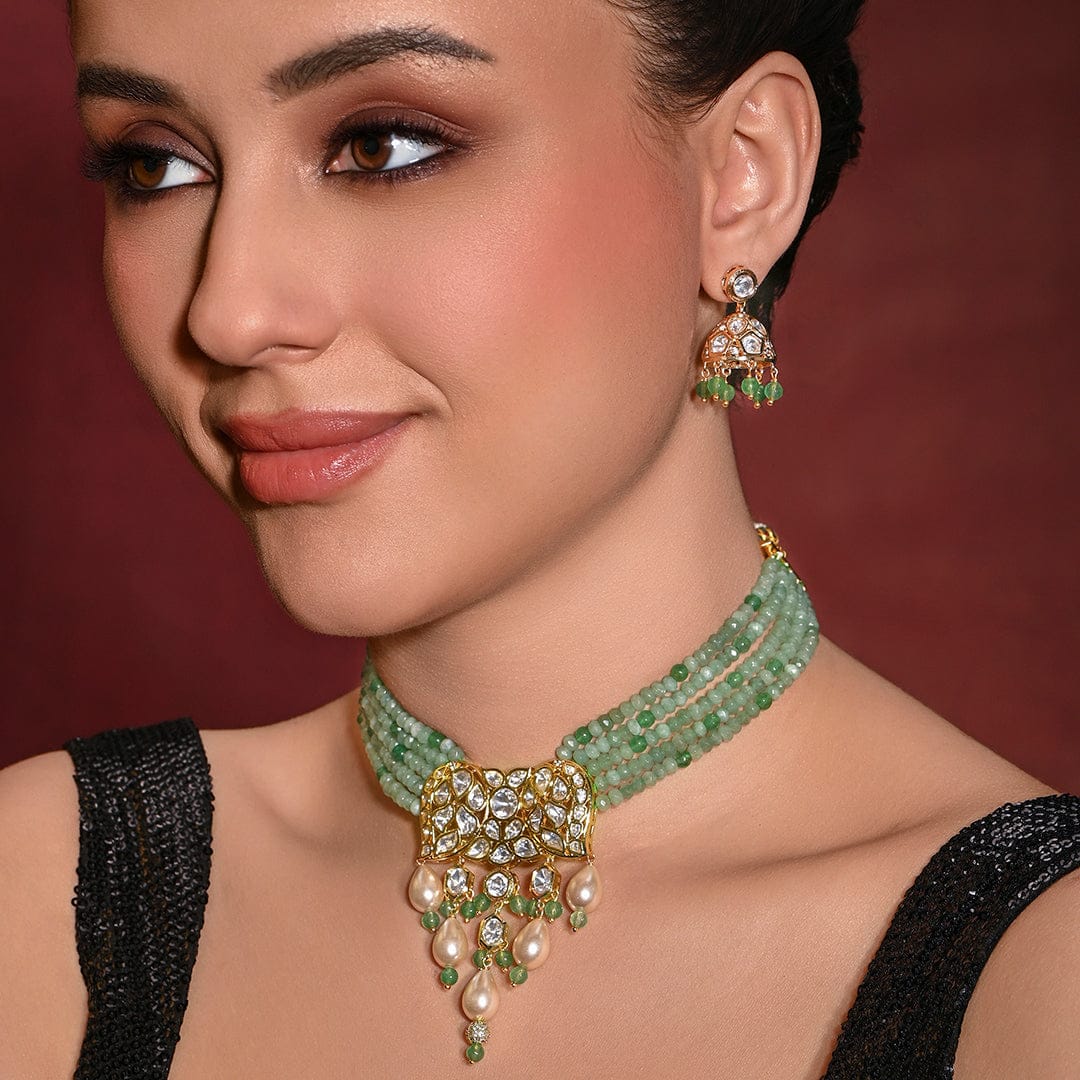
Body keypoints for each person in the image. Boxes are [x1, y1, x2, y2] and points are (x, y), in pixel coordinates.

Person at [1, 0, 1077, 1077]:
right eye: (154, 166)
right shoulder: (43, 890)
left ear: (743, 177)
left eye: (383, 146)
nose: (229, 314)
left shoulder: (1041, 975)